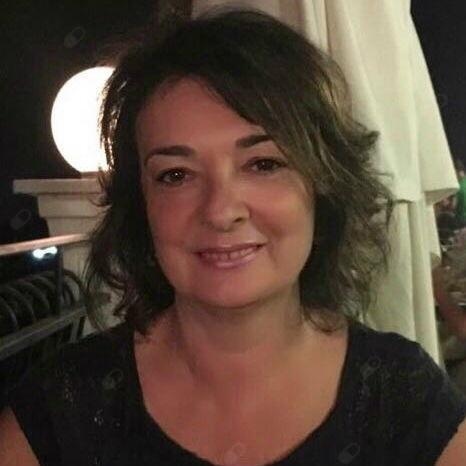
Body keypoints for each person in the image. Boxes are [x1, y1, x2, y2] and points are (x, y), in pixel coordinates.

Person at [1, 7, 466, 465]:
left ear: (323, 186)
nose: (221, 211)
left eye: (263, 164)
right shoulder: (61, 412)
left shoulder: (405, 405)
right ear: (140, 205)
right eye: (176, 175)